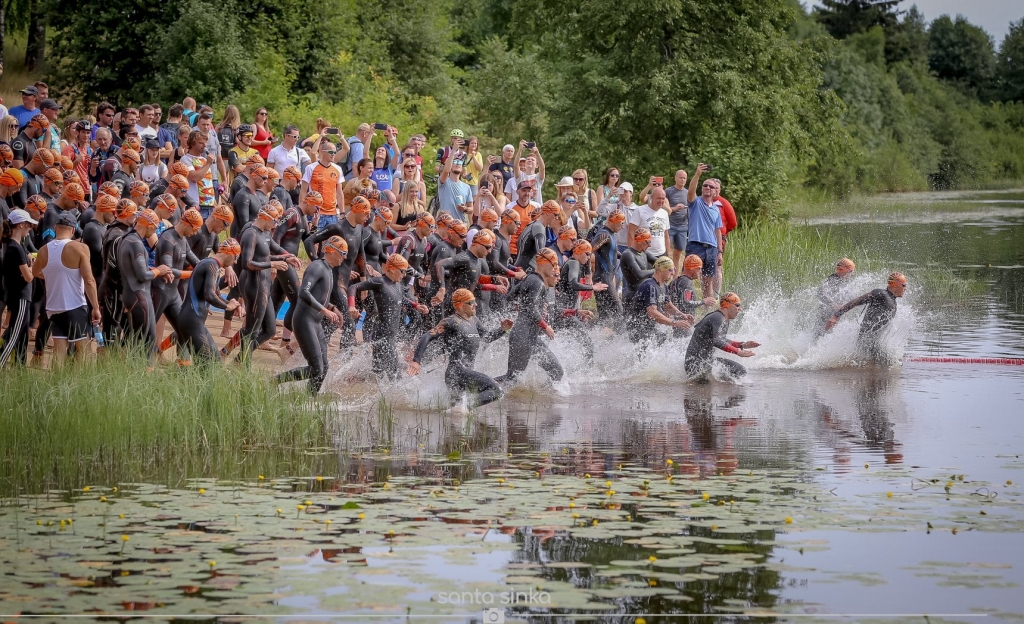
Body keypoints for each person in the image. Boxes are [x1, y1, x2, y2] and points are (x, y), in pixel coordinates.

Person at [409, 288, 514, 411]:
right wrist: (416, 361)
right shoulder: (451, 321)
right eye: (471, 302)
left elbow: (487, 337)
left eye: (475, 301)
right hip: (457, 372)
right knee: (496, 391)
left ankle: (458, 410)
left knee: (456, 416)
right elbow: (427, 336)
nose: (475, 304)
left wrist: (503, 329)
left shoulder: (474, 320)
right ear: (460, 305)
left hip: (466, 373)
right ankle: (462, 407)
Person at [224, 203, 300, 362]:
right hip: (253, 285)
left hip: (264, 286)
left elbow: (274, 250)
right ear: (265, 218)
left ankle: (233, 357)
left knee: (270, 330)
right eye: (275, 220)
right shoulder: (250, 234)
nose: (276, 225)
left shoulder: (265, 233)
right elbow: (247, 263)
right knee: (252, 329)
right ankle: (242, 363)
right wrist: (273, 264)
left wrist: (287, 257)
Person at [276, 235, 348, 393]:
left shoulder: (329, 270)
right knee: (315, 368)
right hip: (304, 320)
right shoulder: (317, 267)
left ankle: (309, 400)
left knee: (324, 367)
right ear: (330, 251)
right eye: (343, 253)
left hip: (315, 322)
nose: (345, 257)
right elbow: (304, 292)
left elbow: (319, 295)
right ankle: (274, 382)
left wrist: (332, 307)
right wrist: (324, 310)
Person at [32, 212, 102, 364]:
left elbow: (35, 272)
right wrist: (96, 307)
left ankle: (57, 384)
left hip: (53, 307)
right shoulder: (80, 248)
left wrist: (54, 275)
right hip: (74, 305)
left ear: (56, 228)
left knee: (59, 350)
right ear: (73, 230)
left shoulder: (44, 250)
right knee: (83, 350)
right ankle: (84, 384)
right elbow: (89, 280)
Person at [349, 253, 426, 380]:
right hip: (382, 335)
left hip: (390, 335)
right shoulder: (380, 282)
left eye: (406, 272)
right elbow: (353, 287)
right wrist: (351, 306)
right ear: (392, 269)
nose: (404, 275)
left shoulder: (397, 284)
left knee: (378, 373)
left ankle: (372, 392)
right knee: (396, 377)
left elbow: (400, 297)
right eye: (402, 271)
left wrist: (415, 305)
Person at [496, 247, 563, 386]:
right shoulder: (537, 282)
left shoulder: (530, 278)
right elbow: (531, 307)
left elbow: (509, 298)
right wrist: (546, 327)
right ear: (543, 263)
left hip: (530, 338)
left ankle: (545, 400)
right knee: (512, 378)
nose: (555, 267)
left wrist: (519, 307)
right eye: (554, 263)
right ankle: (480, 388)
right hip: (522, 336)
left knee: (557, 372)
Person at [176, 238, 244, 364]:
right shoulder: (211, 265)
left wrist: (234, 304)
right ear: (229, 253)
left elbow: (216, 293)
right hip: (191, 321)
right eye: (236, 257)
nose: (235, 261)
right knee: (206, 364)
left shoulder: (212, 265)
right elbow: (210, 295)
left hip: (194, 321)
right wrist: (227, 306)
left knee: (215, 360)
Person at [117, 208, 173, 355]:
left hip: (131, 293)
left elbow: (133, 267)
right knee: (147, 339)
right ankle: (141, 371)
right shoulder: (136, 244)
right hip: (138, 295)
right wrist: (158, 270)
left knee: (135, 337)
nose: (153, 234)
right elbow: (142, 275)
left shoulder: (126, 238)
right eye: (154, 229)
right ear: (148, 226)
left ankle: (132, 369)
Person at [151, 209, 203, 361]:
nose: (194, 234)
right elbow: (167, 270)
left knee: (184, 329)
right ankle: (143, 366)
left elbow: (195, 261)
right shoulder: (168, 239)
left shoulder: (182, 239)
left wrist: (209, 267)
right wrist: (190, 274)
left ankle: (183, 366)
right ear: (187, 224)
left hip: (172, 294)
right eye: (194, 229)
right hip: (160, 291)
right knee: (147, 332)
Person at [823, 271, 907, 360]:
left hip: (873, 343)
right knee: (889, 366)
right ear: (895, 285)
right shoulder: (881, 294)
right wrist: (836, 316)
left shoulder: (892, 300)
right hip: (867, 342)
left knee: (892, 363)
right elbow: (858, 300)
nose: (905, 288)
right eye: (904, 285)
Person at [684, 292, 759, 380]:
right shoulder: (718, 317)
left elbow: (721, 339)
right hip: (696, 363)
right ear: (728, 305)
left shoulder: (724, 319)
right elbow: (717, 341)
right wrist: (737, 352)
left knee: (734, 374)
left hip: (703, 361)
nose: (740, 309)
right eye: (737, 305)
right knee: (740, 371)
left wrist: (741, 345)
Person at [553, 239, 605, 362]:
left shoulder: (573, 262)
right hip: (566, 312)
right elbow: (573, 284)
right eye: (587, 254)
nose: (589, 257)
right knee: (587, 344)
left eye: (590, 254)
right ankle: (587, 372)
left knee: (568, 344)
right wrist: (593, 287)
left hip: (564, 311)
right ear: (579, 251)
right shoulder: (574, 263)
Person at [627, 256, 693, 351]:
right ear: (662, 270)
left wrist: (682, 315)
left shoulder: (663, 286)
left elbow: (668, 305)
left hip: (649, 328)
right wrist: (674, 323)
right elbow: (652, 312)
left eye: (674, 269)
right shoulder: (649, 286)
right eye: (670, 270)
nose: (673, 273)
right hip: (638, 330)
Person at [1, 210, 39, 368]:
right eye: (28, 225)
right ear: (21, 225)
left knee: (22, 335)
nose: (30, 228)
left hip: (19, 296)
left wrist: (30, 260)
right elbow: (28, 277)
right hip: (20, 296)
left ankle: (19, 368)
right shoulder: (15, 248)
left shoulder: (16, 246)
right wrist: (34, 267)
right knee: (14, 335)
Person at [686, 164, 724, 301]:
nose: (708, 188)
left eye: (711, 187)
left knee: (708, 282)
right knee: (689, 277)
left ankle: (707, 311)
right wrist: (697, 174)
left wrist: (719, 252)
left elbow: (718, 231)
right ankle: (687, 307)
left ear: (715, 192)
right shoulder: (695, 202)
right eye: (705, 185)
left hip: (711, 248)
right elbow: (690, 192)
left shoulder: (716, 209)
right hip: (695, 245)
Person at [589, 209, 626, 322]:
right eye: (621, 223)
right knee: (619, 313)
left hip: (606, 278)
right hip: (603, 279)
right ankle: (620, 339)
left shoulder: (610, 234)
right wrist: (587, 274)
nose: (622, 226)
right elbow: (588, 251)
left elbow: (614, 253)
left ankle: (596, 337)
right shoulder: (604, 234)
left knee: (604, 316)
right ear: (614, 221)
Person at [667, 254, 716, 336]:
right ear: (692, 268)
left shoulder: (674, 281)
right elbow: (686, 303)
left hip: (675, 322)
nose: (700, 272)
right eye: (699, 268)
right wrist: (703, 301)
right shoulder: (687, 283)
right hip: (684, 324)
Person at [300, 140, 345, 228]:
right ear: (322, 152)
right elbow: (303, 191)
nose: (333, 154)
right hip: (315, 213)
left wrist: (342, 212)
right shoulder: (311, 168)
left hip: (332, 214)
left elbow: (339, 193)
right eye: (331, 152)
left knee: (331, 241)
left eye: (335, 152)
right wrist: (302, 212)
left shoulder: (337, 169)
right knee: (314, 240)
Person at [514, 200, 561, 271]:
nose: (557, 218)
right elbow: (542, 254)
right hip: (526, 270)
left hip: (521, 268)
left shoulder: (534, 224)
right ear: (548, 212)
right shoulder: (539, 227)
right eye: (556, 214)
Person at [816, 258, 856, 337]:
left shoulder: (842, 281)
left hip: (833, 314)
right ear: (842, 269)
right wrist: (833, 304)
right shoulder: (833, 279)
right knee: (820, 336)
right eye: (850, 271)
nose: (852, 274)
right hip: (826, 314)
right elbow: (820, 293)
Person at [628, 184, 670, 259]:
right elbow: (631, 232)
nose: (661, 201)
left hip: (661, 254)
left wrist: (668, 254)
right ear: (651, 197)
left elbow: (666, 236)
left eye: (663, 198)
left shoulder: (664, 213)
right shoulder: (640, 210)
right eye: (658, 198)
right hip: (643, 253)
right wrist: (632, 254)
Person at [437, 145, 472, 222]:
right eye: (455, 161)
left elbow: (471, 209)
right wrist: (453, 151)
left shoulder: (467, 187)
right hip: (445, 223)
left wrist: (465, 209)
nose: (458, 164)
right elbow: (446, 170)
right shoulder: (444, 181)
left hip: (461, 224)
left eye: (460, 162)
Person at [662, 169, 689, 270]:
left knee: (678, 252)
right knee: (666, 251)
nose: (682, 180)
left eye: (684, 178)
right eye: (681, 177)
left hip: (683, 226)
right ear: (675, 178)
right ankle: (664, 274)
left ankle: (675, 278)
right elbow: (663, 207)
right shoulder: (668, 191)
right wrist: (675, 208)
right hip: (670, 225)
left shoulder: (688, 193)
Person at [227, 124, 259, 188]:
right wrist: (253, 167)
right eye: (247, 136)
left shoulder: (255, 152)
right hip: (237, 186)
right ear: (239, 137)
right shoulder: (233, 152)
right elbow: (238, 168)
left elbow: (259, 169)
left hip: (251, 186)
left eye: (251, 136)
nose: (250, 138)